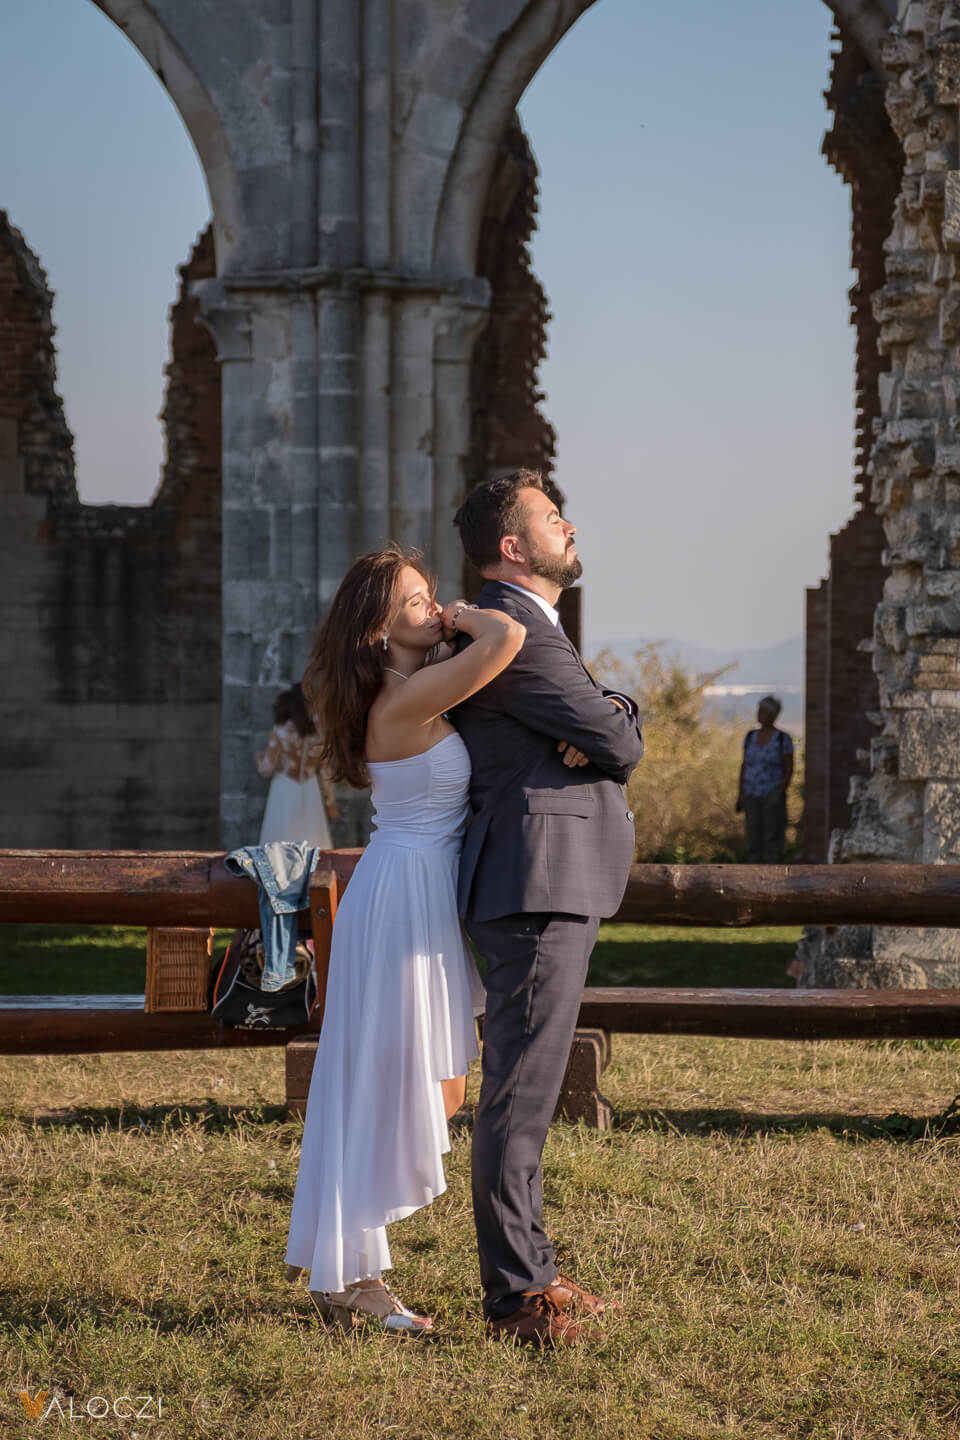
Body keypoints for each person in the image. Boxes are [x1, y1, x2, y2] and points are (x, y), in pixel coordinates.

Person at [283, 545, 526, 1334]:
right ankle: (353, 1277)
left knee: (422, 1084)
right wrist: (472, 615)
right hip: (400, 896)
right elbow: (508, 639)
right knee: (390, 1085)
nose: (435, 607)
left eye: (432, 596)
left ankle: (350, 1272)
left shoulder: (416, 688)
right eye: (416, 601)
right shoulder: (403, 699)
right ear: (378, 629)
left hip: (419, 892)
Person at [449, 469, 645, 1347]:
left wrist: (614, 708)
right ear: (511, 546)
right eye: (552, 518)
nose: (570, 528)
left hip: (543, 876)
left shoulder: (525, 624)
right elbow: (615, 743)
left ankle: (534, 1272)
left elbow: (607, 721)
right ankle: (518, 1299)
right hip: (533, 879)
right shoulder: (518, 629)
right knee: (520, 1093)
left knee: (525, 1089)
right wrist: (612, 720)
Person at [255, 685, 339, 847]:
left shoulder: (280, 731)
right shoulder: (320, 733)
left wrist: (259, 758)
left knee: (279, 843)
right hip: (311, 789)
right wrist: (330, 803)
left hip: (284, 789)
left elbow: (267, 769)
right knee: (312, 843)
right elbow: (326, 771)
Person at [735, 694, 794, 863]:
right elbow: (745, 765)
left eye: (764, 711)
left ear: (773, 715)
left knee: (772, 836)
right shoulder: (750, 737)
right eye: (759, 710)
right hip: (751, 793)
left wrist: (779, 792)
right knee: (753, 835)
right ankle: (753, 871)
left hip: (771, 793)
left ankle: (772, 871)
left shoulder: (782, 739)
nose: (760, 714)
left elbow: (789, 768)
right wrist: (740, 793)